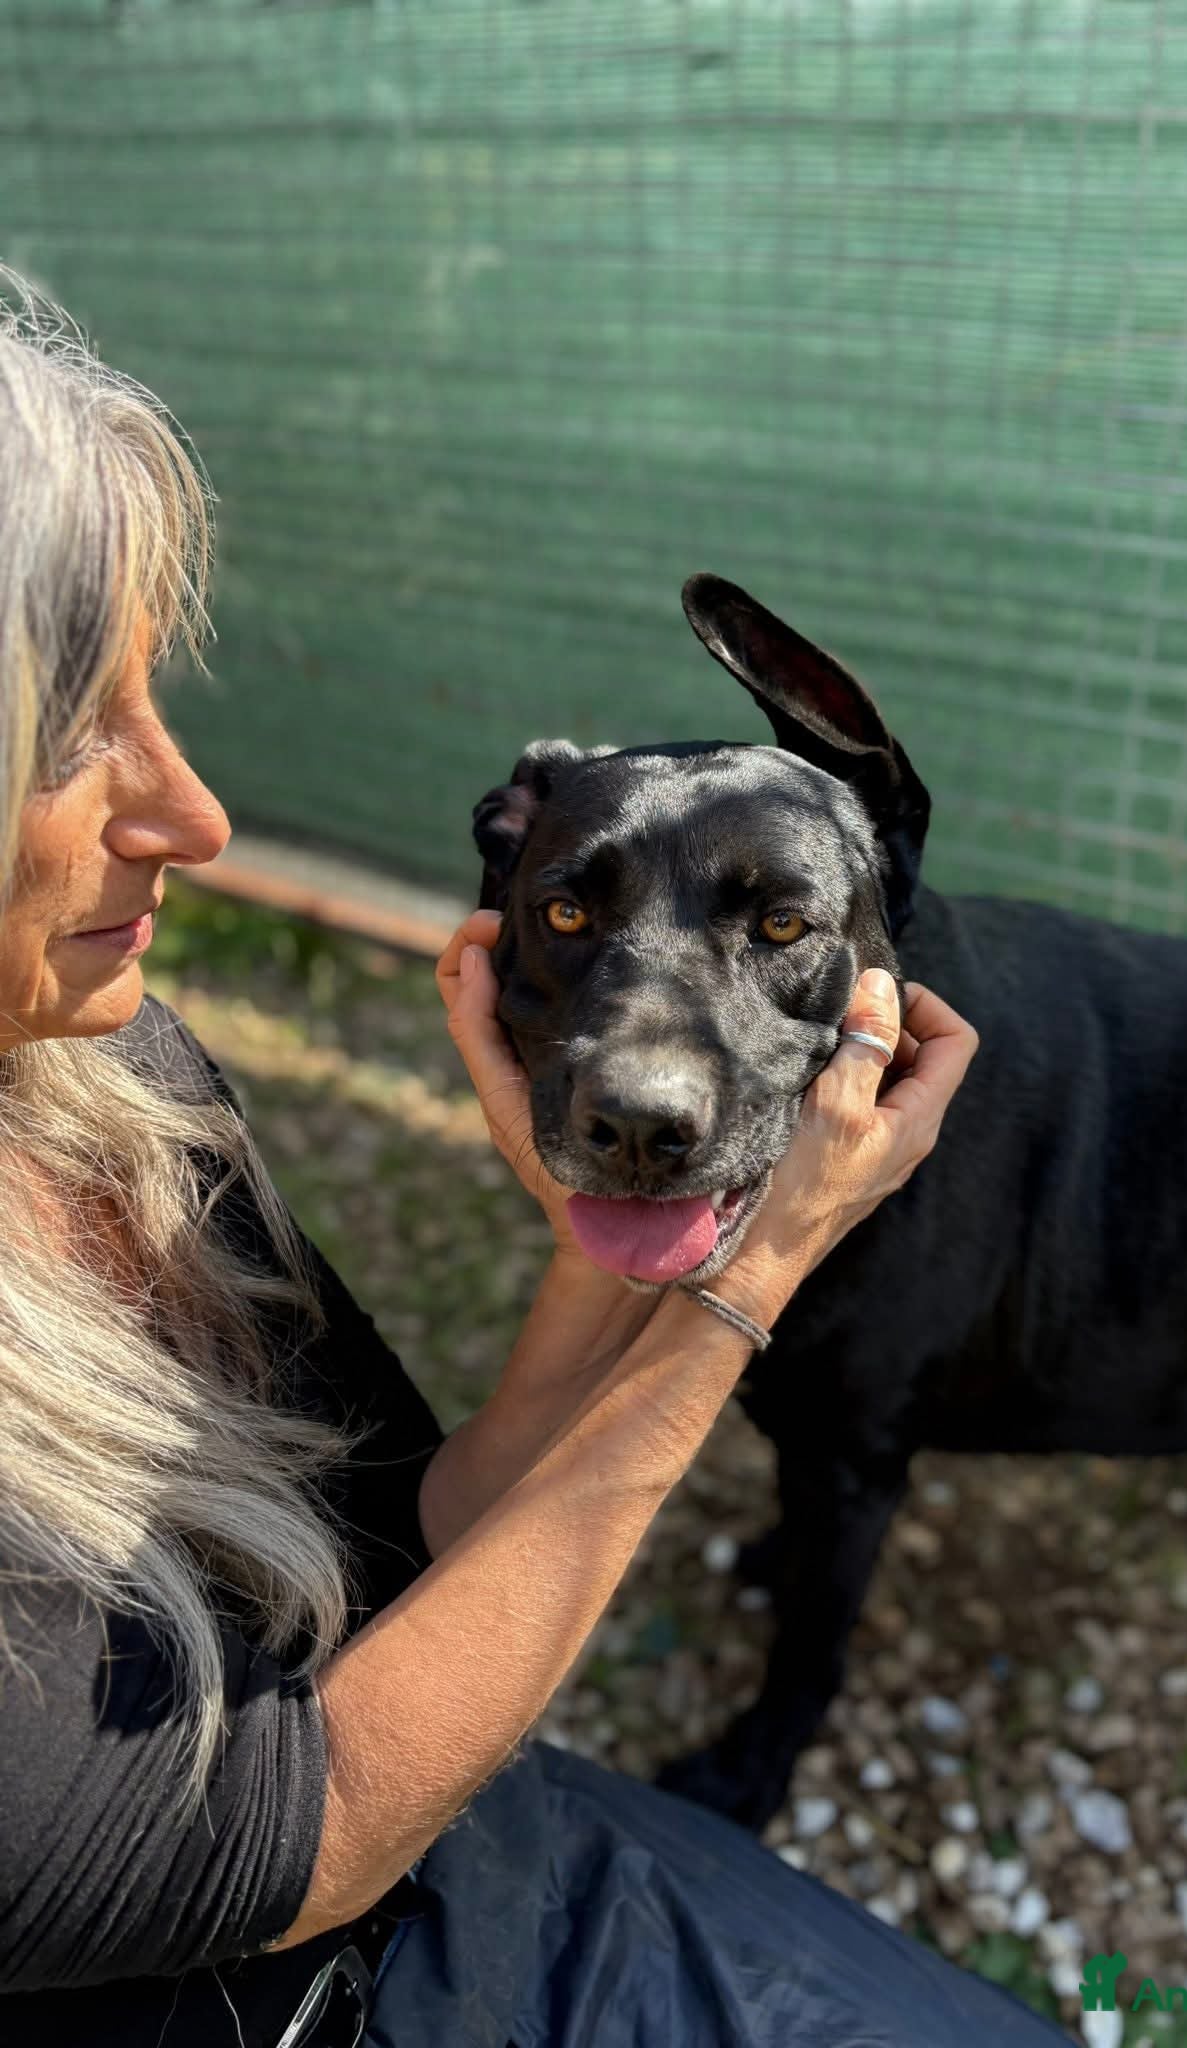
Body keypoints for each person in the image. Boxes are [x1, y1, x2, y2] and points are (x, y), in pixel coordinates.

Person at [0, 266, 1078, 2048]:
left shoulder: (112, 1075)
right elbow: (311, 1831)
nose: (193, 814)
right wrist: (742, 1293)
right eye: (62, 739)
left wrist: (617, 1223)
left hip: (462, 1802)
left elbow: (407, 1530)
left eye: (154, 699)